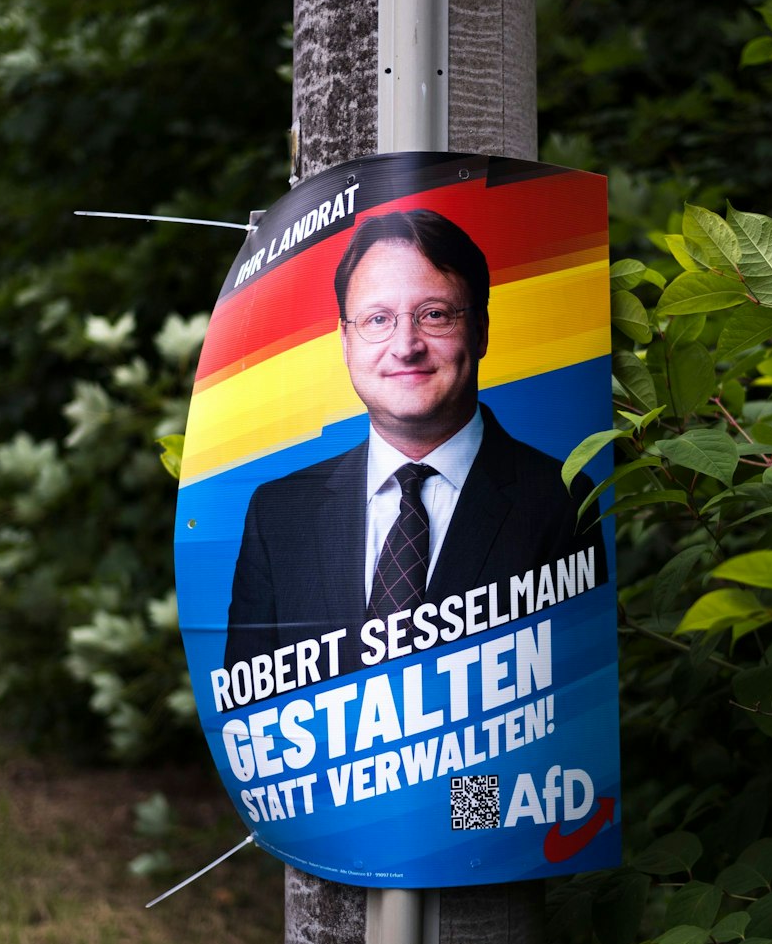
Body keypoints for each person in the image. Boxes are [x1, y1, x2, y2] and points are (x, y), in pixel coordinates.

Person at [224, 208, 605, 676]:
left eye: (435, 315)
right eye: (378, 319)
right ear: (345, 343)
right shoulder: (278, 513)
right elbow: (250, 717)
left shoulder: (561, 500)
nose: (406, 345)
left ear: (481, 329)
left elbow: (573, 699)